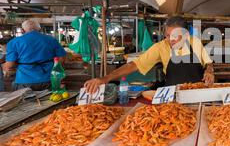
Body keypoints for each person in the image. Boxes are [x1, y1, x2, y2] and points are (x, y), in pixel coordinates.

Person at [84, 16, 214, 94]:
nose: (171, 39)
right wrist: (105, 79)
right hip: (172, 95)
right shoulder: (160, 47)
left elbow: (208, 63)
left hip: (198, 92)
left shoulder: (195, 42)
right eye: (168, 35)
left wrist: (209, 71)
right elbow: (133, 65)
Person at [3, 19, 66, 91]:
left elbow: (10, 65)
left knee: (26, 102)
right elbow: (62, 59)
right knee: (51, 101)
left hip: (24, 81)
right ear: (39, 29)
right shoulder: (51, 40)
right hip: (49, 78)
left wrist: (4, 66)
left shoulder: (14, 42)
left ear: (22, 30)